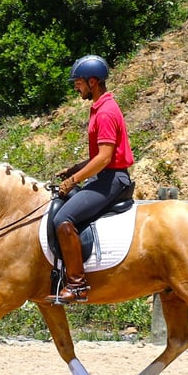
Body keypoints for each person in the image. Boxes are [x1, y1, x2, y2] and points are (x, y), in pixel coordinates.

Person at [46, 54, 134, 304]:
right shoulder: (100, 107)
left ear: (93, 81)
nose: (76, 86)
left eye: (79, 81)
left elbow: (105, 158)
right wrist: (75, 168)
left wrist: (73, 180)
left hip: (113, 179)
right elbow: (99, 156)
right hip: (106, 175)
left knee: (64, 219)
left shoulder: (105, 112)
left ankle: (77, 286)